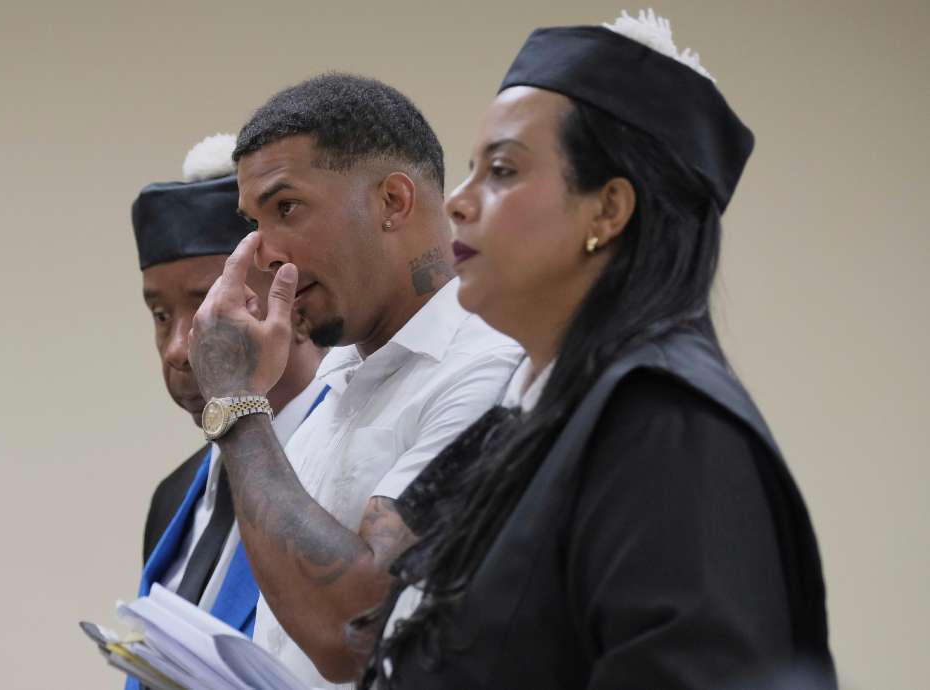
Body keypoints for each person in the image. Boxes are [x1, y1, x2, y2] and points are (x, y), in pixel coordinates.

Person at [359, 11, 835, 689]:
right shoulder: (537, 418)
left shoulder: (666, 426)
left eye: (501, 169)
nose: (458, 203)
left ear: (608, 211)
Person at [187, 74, 524, 687]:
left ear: (394, 201)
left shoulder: (489, 371)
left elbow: (355, 631)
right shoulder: (337, 375)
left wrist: (236, 405)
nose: (261, 252)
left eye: (285, 207)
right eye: (253, 220)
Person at [132, 134, 326, 670]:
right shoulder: (175, 497)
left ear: (291, 292)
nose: (177, 349)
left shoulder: (347, 463)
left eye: (207, 306)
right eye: (160, 316)